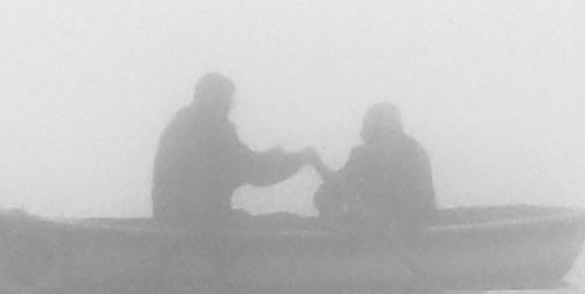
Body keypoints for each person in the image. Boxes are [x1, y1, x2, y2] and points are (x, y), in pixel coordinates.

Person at [150, 73, 318, 225]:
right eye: (227, 102)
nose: (228, 108)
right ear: (214, 100)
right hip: (202, 228)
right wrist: (301, 159)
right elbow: (254, 171)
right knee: (289, 223)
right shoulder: (212, 129)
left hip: (172, 220)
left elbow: (238, 162)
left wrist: (268, 158)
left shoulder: (180, 125)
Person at [314, 103, 438, 227]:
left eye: (369, 129)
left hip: (405, 238)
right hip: (374, 237)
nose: (362, 135)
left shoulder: (414, 157)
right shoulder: (361, 157)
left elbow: (411, 212)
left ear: (389, 132)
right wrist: (330, 205)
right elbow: (327, 192)